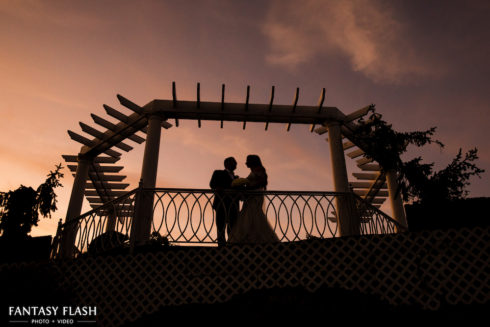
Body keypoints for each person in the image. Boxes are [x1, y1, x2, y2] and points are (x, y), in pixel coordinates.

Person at [229, 155, 279, 244]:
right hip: (251, 196)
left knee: (252, 214)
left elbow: (262, 181)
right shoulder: (254, 170)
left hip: (255, 196)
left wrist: (249, 188)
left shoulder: (259, 169)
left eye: (247, 161)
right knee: (249, 216)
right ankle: (250, 238)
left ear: (253, 161)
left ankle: (257, 239)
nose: (246, 163)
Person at [210, 157, 240, 247]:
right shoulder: (218, 173)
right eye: (234, 162)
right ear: (227, 164)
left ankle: (231, 244)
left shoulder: (236, 178)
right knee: (221, 225)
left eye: (235, 163)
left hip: (233, 205)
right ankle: (221, 246)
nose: (235, 164)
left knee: (232, 226)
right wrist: (219, 188)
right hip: (221, 203)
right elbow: (212, 184)